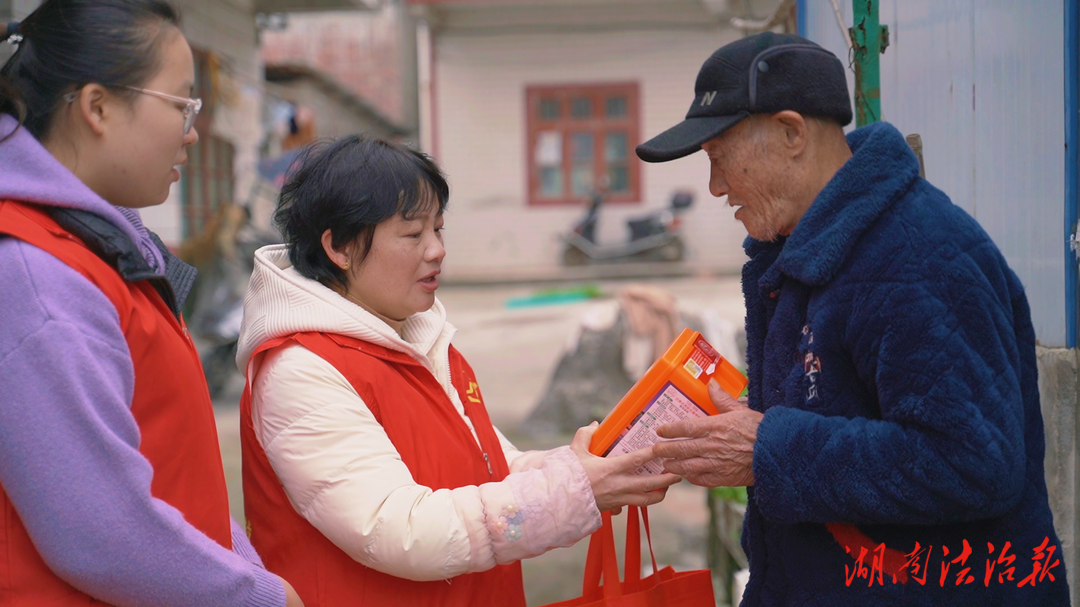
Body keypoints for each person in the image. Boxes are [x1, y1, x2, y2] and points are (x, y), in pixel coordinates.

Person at [637, 31, 1070, 605]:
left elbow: (971, 463)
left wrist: (768, 448)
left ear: (792, 133)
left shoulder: (918, 258)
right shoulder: (811, 250)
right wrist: (756, 424)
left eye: (720, 159)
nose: (716, 188)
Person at [236, 136, 680, 606]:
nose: (437, 250)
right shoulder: (300, 369)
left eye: (439, 229)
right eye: (413, 235)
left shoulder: (419, 336)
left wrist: (580, 468)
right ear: (340, 247)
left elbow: (490, 465)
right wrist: (567, 493)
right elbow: (398, 529)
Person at [0, 2, 302, 606]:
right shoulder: (37, 276)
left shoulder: (96, 248)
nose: (192, 130)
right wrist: (257, 597)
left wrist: (242, 568)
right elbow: (101, 532)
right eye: (181, 104)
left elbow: (170, 472)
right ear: (98, 107)